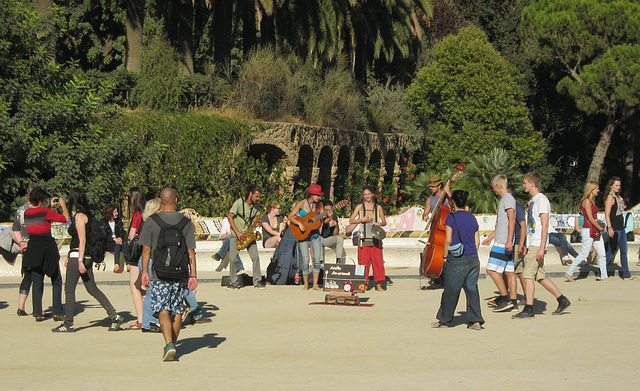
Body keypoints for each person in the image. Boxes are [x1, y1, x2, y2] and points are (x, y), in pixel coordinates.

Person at [52, 188, 125, 333]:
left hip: (79, 256)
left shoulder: (79, 216)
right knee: (92, 288)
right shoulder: (89, 216)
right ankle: (114, 315)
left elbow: (81, 239)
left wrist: (79, 260)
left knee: (69, 290)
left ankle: (68, 323)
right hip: (87, 257)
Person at [141, 187, 198, 361]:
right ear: (176, 200)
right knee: (177, 309)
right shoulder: (186, 222)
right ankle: (172, 343)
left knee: (162, 308)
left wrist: (144, 272)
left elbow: (146, 250)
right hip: (180, 272)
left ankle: (169, 344)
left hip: (159, 272)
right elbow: (191, 251)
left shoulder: (152, 221)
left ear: (160, 200)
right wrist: (193, 275)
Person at [513, 172, 570, 319]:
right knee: (539, 276)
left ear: (533, 183)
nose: (523, 185)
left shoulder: (542, 200)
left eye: (525, 182)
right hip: (533, 243)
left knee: (528, 276)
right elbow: (533, 226)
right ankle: (562, 299)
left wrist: (541, 247)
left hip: (538, 244)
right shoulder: (533, 201)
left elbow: (545, 225)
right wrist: (526, 244)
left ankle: (529, 308)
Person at [432, 190, 484, 330]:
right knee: (472, 289)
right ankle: (476, 321)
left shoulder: (451, 218)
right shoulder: (472, 218)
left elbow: (448, 240)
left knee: (451, 290)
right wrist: (472, 253)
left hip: (456, 259)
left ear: (452, 202)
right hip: (473, 258)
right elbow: (477, 240)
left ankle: (444, 320)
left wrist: (444, 257)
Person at [22, 186, 69, 322]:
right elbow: (65, 218)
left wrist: (49, 207)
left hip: (33, 248)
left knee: (37, 281)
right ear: (42, 199)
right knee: (56, 279)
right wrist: (63, 205)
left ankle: (37, 312)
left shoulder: (27, 213)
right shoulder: (47, 212)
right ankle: (57, 311)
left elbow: (39, 217)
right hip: (47, 247)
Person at [482, 175, 518, 313]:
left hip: (503, 241)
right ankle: (513, 301)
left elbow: (511, 220)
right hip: (502, 239)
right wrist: (491, 237)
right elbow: (502, 224)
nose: (493, 190)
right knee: (509, 271)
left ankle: (505, 298)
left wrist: (509, 240)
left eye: (494, 187)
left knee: (491, 269)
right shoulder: (506, 199)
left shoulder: (507, 199)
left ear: (498, 186)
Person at [565, 181, 610, 282]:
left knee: (602, 253)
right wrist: (600, 227)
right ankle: (569, 272)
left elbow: (594, 217)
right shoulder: (586, 201)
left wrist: (600, 226)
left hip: (594, 229)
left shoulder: (592, 201)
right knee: (584, 253)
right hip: (588, 229)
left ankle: (604, 275)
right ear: (592, 189)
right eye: (597, 188)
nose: (598, 190)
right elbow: (590, 217)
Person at [349, 185, 387, 292]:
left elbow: (384, 222)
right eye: (365, 194)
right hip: (363, 238)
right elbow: (351, 220)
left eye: (369, 194)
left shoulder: (378, 207)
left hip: (376, 238)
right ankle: (363, 283)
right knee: (363, 263)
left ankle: (379, 284)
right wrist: (362, 220)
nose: (367, 196)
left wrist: (379, 223)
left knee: (378, 262)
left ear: (372, 194)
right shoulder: (359, 207)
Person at [226, 185, 265, 290]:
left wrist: (257, 223)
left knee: (255, 257)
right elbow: (230, 216)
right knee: (233, 258)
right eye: (256, 196)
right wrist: (237, 232)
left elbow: (254, 217)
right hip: (237, 234)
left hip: (248, 234)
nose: (258, 199)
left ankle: (257, 281)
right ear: (250, 194)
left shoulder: (256, 206)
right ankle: (233, 282)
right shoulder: (239, 203)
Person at [289, 184, 325, 290]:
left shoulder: (320, 205)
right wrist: (299, 224)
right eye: (317, 195)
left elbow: (321, 220)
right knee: (305, 259)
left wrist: (327, 218)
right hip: (303, 234)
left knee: (317, 259)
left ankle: (315, 285)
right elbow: (291, 216)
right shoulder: (302, 203)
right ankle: (305, 285)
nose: (319, 197)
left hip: (315, 235)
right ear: (312, 195)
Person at [12, 183, 38, 316]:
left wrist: (21, 242)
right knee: (38, 276)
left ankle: (21, 306)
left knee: (27, 276)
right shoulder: (38, 209)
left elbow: (15, 229)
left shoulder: (20, 210)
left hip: (25, 246)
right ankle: (37, 308)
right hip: (36, 244)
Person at [604, 176, 635, 280]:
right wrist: (609, 227)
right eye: (616, 185)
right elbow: (607, 214)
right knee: (611, 251)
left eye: (619, 185)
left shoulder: (618, 197)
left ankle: (626, 274)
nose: (618, 187)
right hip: (615, 227)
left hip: (621, 227)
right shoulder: (610, 197)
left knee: (624, 251)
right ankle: (602, 272)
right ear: (611, 186)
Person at [126, 187, 147, 329]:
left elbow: (131, 235)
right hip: (147, 252)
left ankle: (141, 319)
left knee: (135, 286)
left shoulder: (137, 214)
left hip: (136, 254)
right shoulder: (148, 213)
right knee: (146, 287)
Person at [101, 204, 127, 273]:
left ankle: (128, 263)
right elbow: (104, 235)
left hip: (118, 241)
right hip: (109, 243)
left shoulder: (118, 221)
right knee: (117, 244)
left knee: (124, 242)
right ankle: (116, 265)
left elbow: (122, 231)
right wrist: (113, 238)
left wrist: (120, 237)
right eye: (115, 212)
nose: (117, 214)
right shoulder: (103, 222)